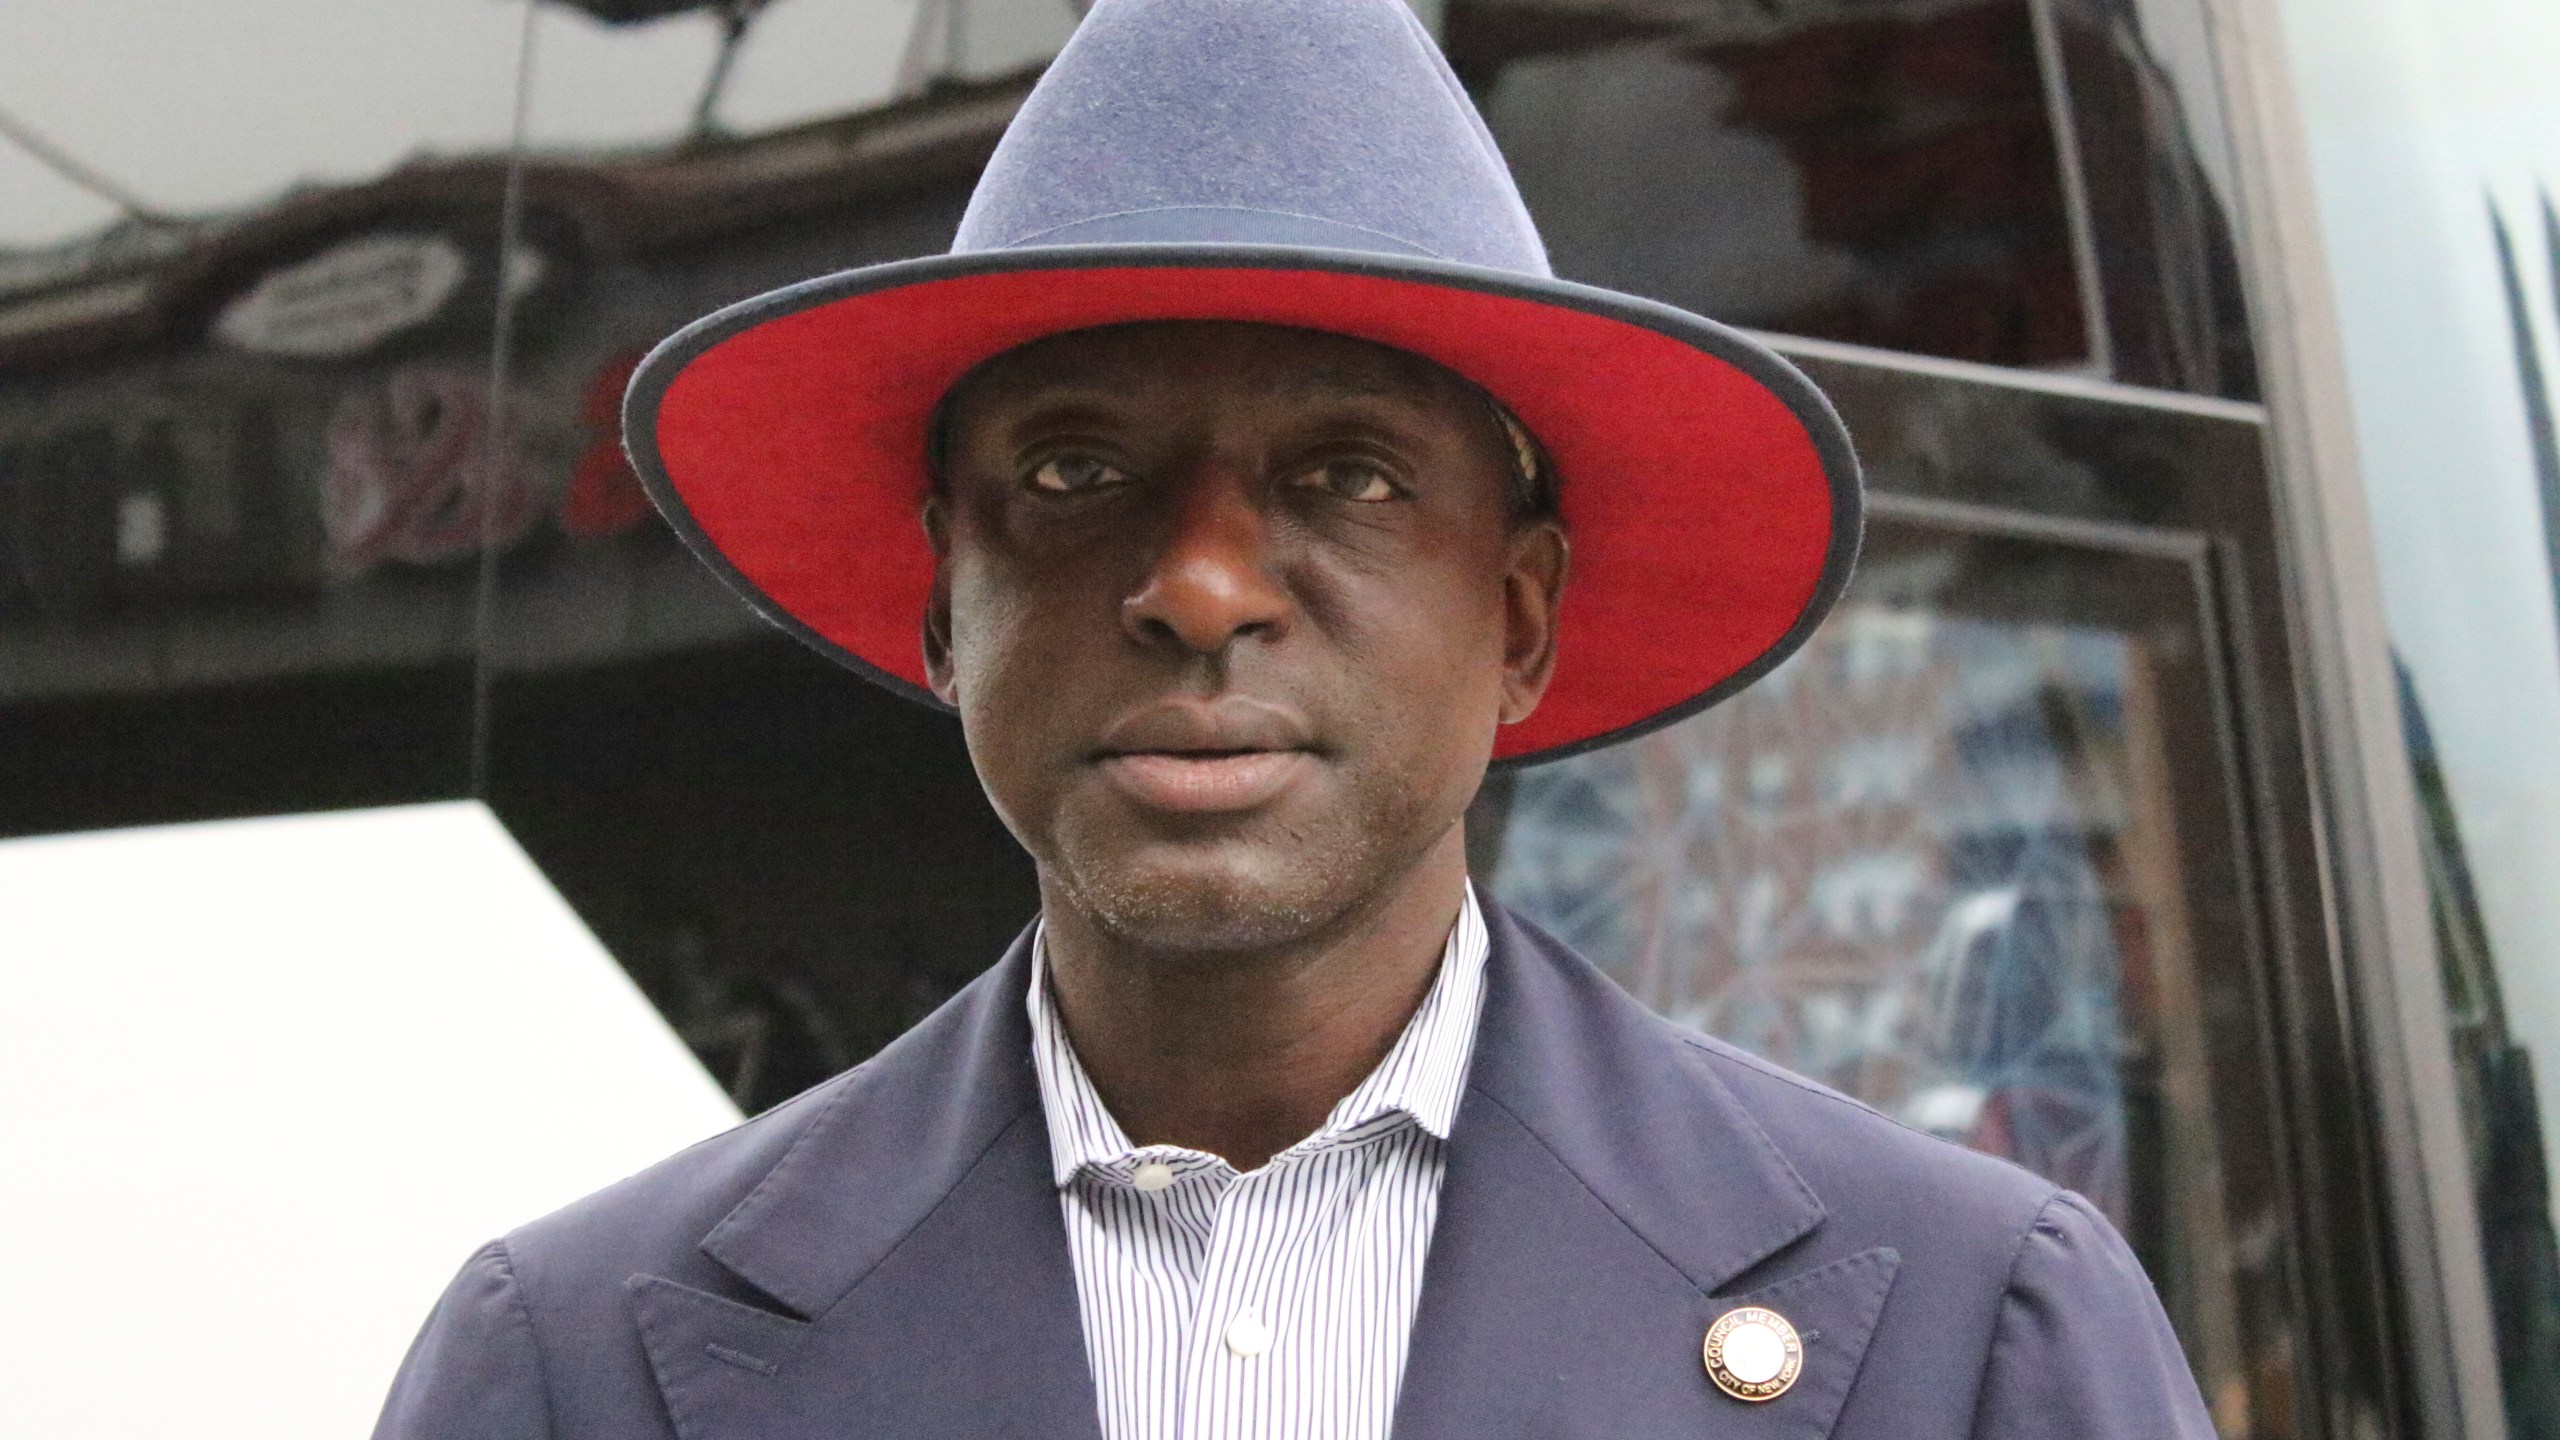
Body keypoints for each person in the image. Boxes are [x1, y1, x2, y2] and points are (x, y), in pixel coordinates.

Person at [374, 0, 2216, 1435]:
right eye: (1078, 467)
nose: (1203, 585)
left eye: (1347, 478)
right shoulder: (573, 1367)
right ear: (947, 602)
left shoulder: (1977, 1330)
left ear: (1517, 616)